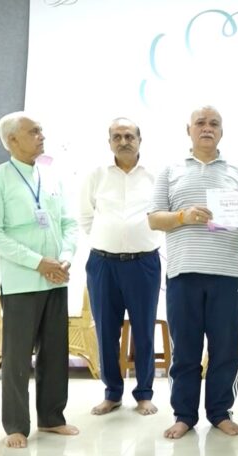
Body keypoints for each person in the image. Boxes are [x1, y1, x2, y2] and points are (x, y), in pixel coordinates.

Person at [0, 112, 79, 448]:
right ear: (12, 140)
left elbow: (68, 223)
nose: (41, 136)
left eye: (41, 131)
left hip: (56, 278)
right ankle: (16, 425)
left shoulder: (50, 176)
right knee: (18, 356)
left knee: (55, 352)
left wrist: (65, 256)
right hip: (21, 281)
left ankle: (52, 418)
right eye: (33, 131)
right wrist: (38, 263)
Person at [148, 106, 238, 439]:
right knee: (185, 350)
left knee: (226, 349)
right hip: (183, 273)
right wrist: (183, 216)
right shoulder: (170, 171)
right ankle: (184, 415)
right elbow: (154, 219)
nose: (207, 128)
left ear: (222, 131)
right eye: (201, 123)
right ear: (188, 129)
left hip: (228, 274)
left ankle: (220, 412)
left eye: (214, 123)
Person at [79, 118, 162, 417]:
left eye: (129, 136)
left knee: (144, 330)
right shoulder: (97, 175)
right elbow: (85, 216)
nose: (123, 141)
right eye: (117, 136)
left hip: (143, 264)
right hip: (103, 264)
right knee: (105, 330)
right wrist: (109, 239)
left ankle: (144, 394)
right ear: (109, 142)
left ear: (140, 140)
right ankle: (112, 393)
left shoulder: (155, 176)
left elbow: (163, 214)